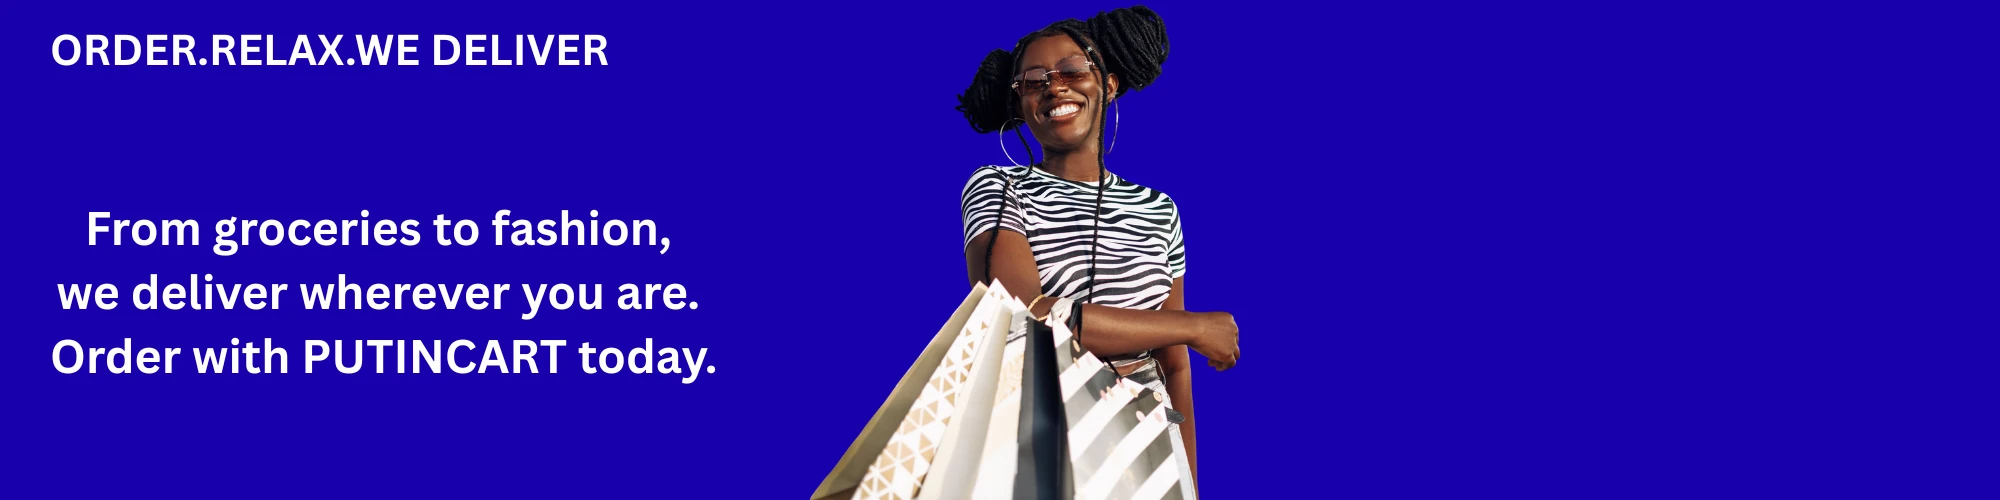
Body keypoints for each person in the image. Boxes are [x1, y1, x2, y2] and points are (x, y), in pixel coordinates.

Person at [954, 5, 1238, 487]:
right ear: (1019, 105)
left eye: (1072, 71)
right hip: (1040, 434)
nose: (1055, 87)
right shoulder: (998, 187)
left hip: (1148, 441)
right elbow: (1024, 318)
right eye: (1034, 81)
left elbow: (1173, 364)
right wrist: (1193, 326)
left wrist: (1187, 482)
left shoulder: (1160, 209)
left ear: (1108, 85)